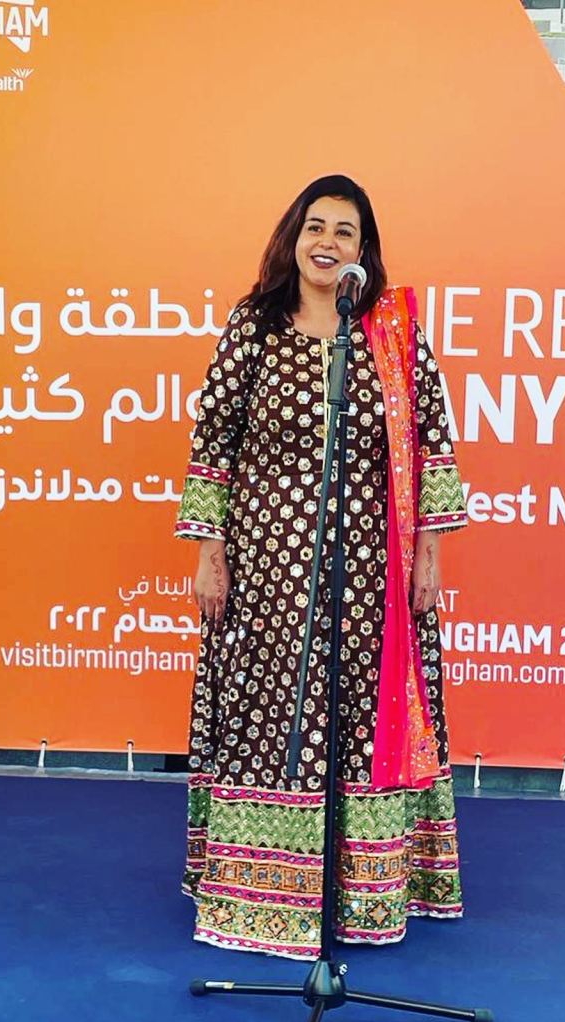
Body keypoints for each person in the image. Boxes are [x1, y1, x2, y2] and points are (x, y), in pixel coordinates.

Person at [175, 174, 468, 959]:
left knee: (357, 717)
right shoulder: (255, 323)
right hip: (266, 564)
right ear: (293, 237)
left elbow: (430, 437)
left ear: (362, 250)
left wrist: (427, 556)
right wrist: (210, 553)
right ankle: (260, 889)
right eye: (315, 227)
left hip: (371, 571)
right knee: (274, 713)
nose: (327, 242)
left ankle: (362, 894)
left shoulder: (391, 332)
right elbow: (216, 439)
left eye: (344, 230)